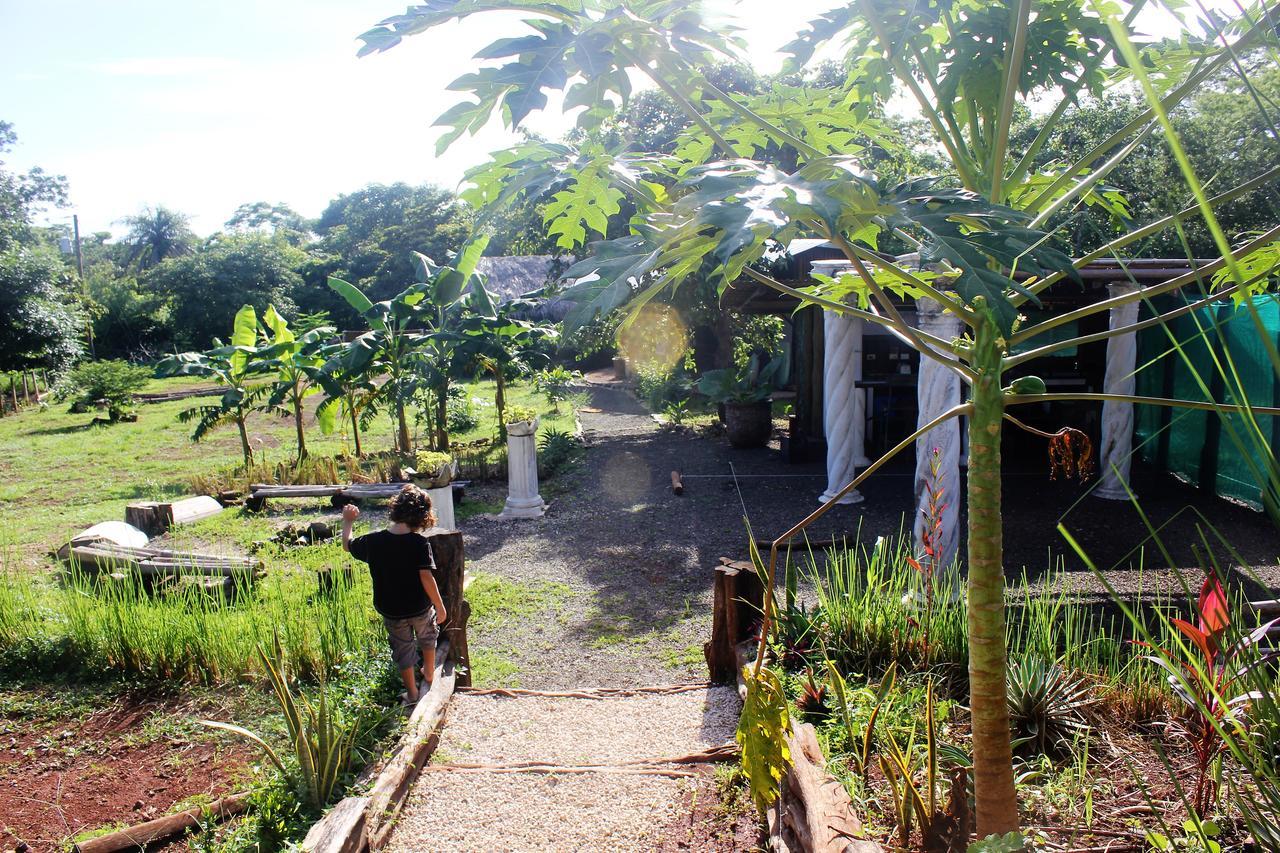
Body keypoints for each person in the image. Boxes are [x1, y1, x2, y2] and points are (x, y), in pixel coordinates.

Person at [341, 485, 447, 705]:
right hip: (419, 607)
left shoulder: (373, 542)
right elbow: (426, 577)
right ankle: (429, 672)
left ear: (394, 509)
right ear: (423, 518)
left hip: (391, 609)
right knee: (427, 636)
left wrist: (348, 521)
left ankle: (412, 693)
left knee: (403, 649)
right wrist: (440, 605)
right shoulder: (419, 543)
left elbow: (347, 545)